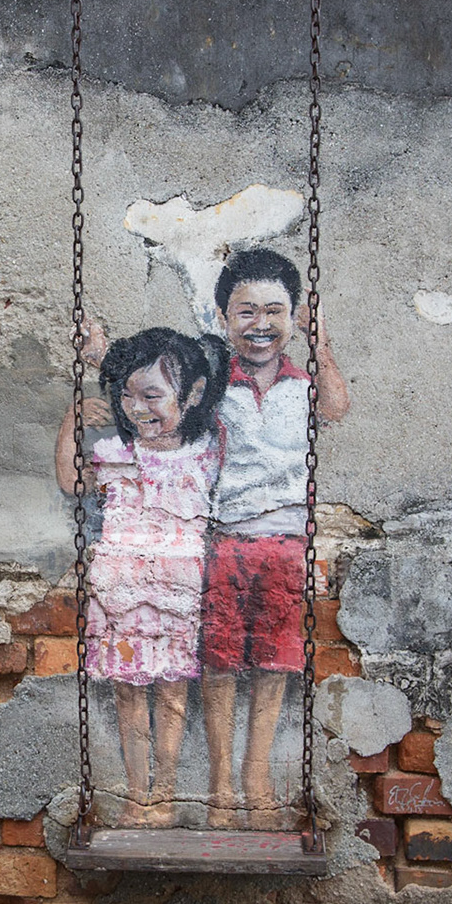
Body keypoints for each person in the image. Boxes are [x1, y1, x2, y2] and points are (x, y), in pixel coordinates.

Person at [201, 247, 350, 829]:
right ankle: (219, 785)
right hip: (226, 540)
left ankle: (256, 777)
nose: (260, 324)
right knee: (218, 663)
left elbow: (336, 408)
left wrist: (321, 343)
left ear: (294, 317)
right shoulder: (212, 385)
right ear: (223, 318)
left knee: (274, 664)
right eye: (246, 312)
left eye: (274, 311)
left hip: (287, 542)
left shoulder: (304, 385)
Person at [57, 327, 226, 826]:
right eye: (127, 396)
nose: (137, 409)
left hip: (178, 596)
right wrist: (72, 419)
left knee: (173, 693)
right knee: (129, 695)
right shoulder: (118, 452)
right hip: (122, 595)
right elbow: (71, 481)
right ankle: (137, 793)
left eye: (152, 396)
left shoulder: (206, 452)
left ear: (192, 395)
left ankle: (166, 793)